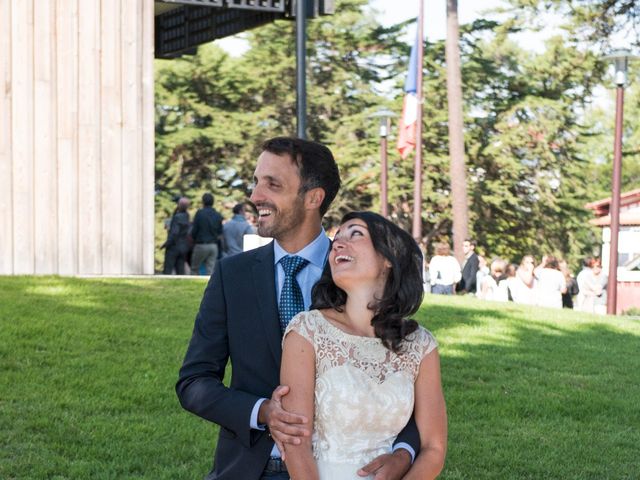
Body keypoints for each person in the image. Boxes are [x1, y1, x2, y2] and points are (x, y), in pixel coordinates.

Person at [176, 137, 418, 480]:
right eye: (256, 182)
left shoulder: (359, 271)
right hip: (249, 470)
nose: (256, 195)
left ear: (313, 198)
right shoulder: (233, 275)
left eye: (272, 184)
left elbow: (405, 384)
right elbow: (194, 382)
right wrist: (262, 412)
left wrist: (403, 454)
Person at [280, 211, 447, 480]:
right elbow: (295, 441)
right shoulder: (307, 330)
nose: (338, 242)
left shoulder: (421, 346)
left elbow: (434, 448)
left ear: (388, 259)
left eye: (355, 233)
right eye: (337, 238)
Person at [190, 193, 224, 275]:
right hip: (213, 246)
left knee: (194, 269)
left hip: (201, 244)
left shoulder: (199, 213)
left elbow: (194, 230)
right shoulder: (217, 214)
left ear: (203, 201)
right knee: (211, 271)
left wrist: (193, 239)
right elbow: (220, 231)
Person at [162, 197, 191, 275]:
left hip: (174, 247)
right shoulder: (187, 216)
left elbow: (174, 233)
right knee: (180, 269)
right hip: (183, 247)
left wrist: (166, 244)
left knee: (168, 269)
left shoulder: (177, 217)